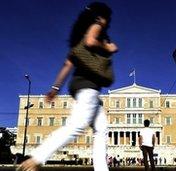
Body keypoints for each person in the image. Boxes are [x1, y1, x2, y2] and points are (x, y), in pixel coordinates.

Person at [18, 2, 118, 171]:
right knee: (77, 125)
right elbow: (91, 41)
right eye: (108, 18)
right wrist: (107, 46)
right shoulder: (97, 26)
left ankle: (101, 168)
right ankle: (36, 158)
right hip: (88, 87)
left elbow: (67, 64)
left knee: (101, 129)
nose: (108, 22)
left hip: (82, 87)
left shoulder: (77, 41)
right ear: (102, 17)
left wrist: (55, 88)